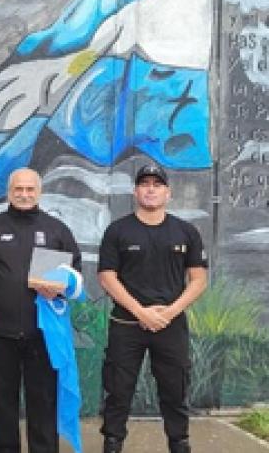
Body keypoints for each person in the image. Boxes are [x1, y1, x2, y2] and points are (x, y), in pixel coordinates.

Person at [0, 168, 82, 453]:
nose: (24, 194)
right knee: (3, 401)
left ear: (39, 192)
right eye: (18, 189)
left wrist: (61, 286)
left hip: (43, 333)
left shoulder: (57, 230)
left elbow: (75, 274)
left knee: (42, 400)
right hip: (0, 332)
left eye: (30, 189)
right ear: (9, 192)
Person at [98, 163, 208, 453]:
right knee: (118, 391)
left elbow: (198, 280)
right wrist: (141, 312)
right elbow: (107, 277)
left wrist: (169, 312)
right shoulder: (117, 230)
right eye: (144, 184)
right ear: (136, 192)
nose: (150, 189)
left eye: (156, 184)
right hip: (127, 325)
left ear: (168, 193)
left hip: (170, 326)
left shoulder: (185, 232)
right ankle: (112, 443)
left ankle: (179, 443)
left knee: (175, 392)